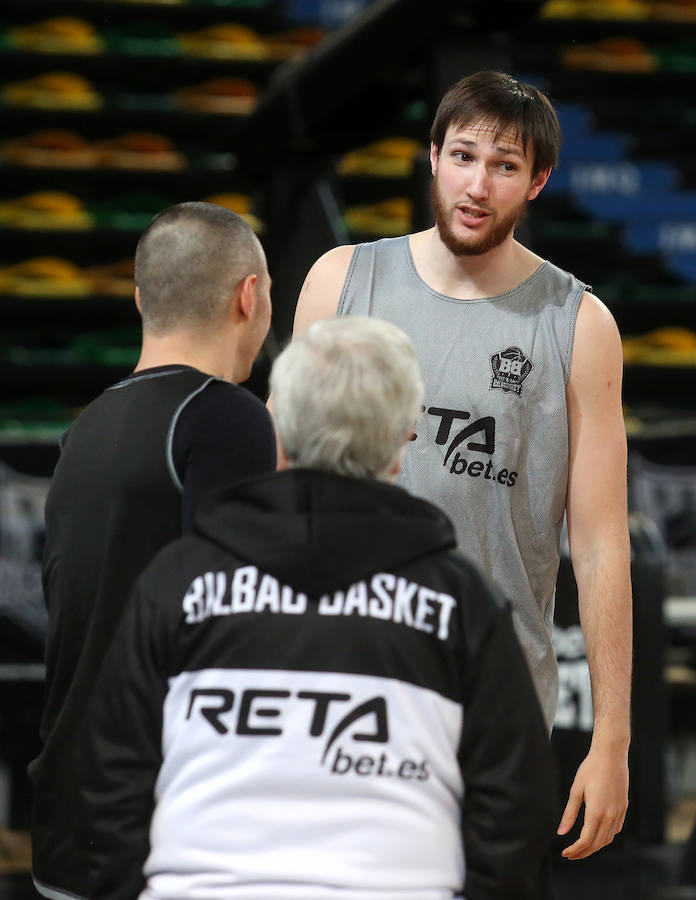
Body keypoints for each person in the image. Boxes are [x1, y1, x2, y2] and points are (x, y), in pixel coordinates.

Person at [80, 316, 556, 900]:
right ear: (401, 444)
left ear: (276, 432)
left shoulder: (178, 581)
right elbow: (514, 805)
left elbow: (107, 782)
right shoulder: (462, 600)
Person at [292, 71, 632, 862]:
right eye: (465, 156)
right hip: (339, 679)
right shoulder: (341, 282)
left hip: (493, 697)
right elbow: (284, 485)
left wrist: (612, 736)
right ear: (432, 157)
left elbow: (605, 542)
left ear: (538, 180)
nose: (478, 185)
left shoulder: (579, 323)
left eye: (506, 166)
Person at [31, 201, 277, 900]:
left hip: (72, 809)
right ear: (248, 296)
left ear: (143, 299)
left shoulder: (89, 427)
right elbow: (238, 627)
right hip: (166, 826)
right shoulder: (228, 418)